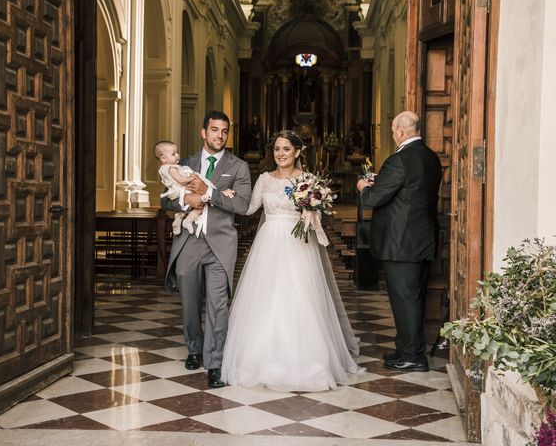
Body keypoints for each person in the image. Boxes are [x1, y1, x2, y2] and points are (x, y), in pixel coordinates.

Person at [221, 130, 363, 392]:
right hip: (269, 243)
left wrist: (313, 208)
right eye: (276, 149)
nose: (280, 154)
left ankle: (307, 362)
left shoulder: (308, 180)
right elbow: (250, 209)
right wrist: (229, 196)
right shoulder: (264, 179)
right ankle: (261, 360)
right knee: (266, 299)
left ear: (297, 152)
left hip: (298, 246)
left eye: (286, 149)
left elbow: (314, 214)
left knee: (300, 298)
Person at [161, 111, 252, 388]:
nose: (219, 136)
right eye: (214, 130)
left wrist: (210, 194)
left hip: (220, 243)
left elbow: (243, 205)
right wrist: (187, 199)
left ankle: (215, 362)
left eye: (224, 131)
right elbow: (165, 202)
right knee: (189, 301)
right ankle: (194, 349)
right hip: (188, 241)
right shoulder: (183, 163)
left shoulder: (238, 167)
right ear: (204, 132)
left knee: (218, 305)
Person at [356, 111, 442, 373]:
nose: (393, 135)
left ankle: (414, 357)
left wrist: (363, 187)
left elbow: (373, 199)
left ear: (400, 132)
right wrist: (379, 184)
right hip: (423, 238)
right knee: (413, 298)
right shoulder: (431, 157)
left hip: (401, 243)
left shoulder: (399, 159)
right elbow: (408, 191)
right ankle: (407, 349)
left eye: (393, 131)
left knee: (405, 301)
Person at [154, 140, 234, 235]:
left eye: (177, 152)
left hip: (183, 189)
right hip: (181, 190)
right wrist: (192, 177)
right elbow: (181, 181)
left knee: (203, 199)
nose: (177, 155)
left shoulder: (176, 166)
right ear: (163, 159)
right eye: (173, 154)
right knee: (203, 200)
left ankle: (179, 219)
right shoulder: (172, 168)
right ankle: (188, 220)